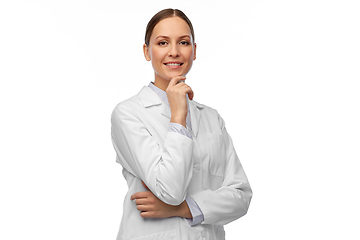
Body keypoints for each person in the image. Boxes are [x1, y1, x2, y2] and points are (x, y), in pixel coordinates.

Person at [111, 8, 252, 240]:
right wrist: (178, 117)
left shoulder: (211, 118)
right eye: (163, 43)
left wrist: (182, 209)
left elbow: (241, 196)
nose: (174, 52)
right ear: (147, 51)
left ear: (194, 51)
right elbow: (170, 190)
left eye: (184, 42)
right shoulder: (128, 114)